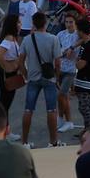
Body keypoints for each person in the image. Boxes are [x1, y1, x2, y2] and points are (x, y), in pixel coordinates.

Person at [19, 12, 61, 149]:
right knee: (51, 110)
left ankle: (24, 142)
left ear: (33, 24)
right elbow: (57, 62)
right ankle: (53, 141)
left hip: (33, 77)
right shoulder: (53, 39)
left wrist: (25, 74)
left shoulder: (27, 39)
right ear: (45, 23)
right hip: (49, 77)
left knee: (28, 109)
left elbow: (21, 61)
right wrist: (57, 77)